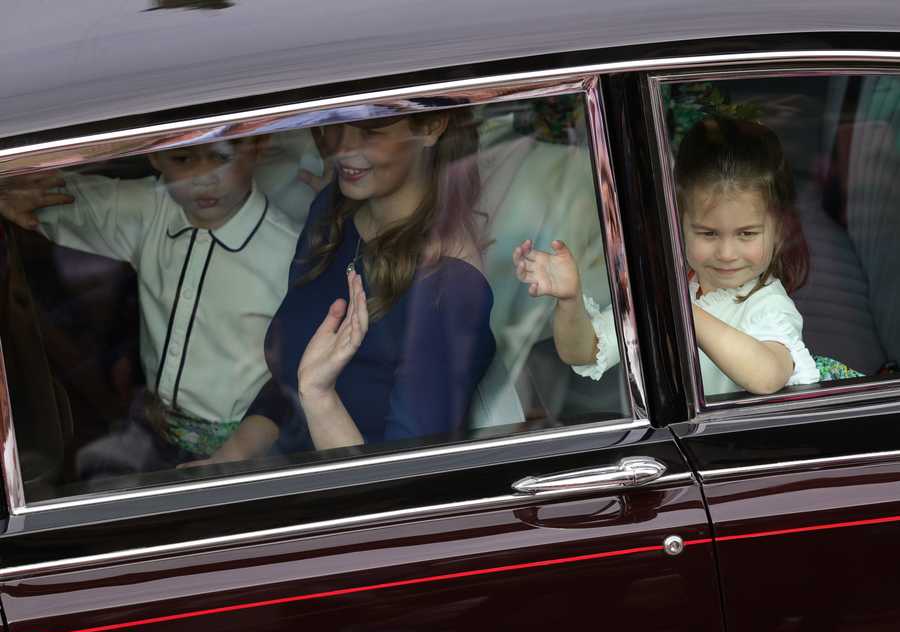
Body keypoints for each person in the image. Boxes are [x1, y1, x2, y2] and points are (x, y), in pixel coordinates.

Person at [202, 110, 496, 463]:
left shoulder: (449, 290)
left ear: (431, 127)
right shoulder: (333, 213)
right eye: (337, 123)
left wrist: (320, 396)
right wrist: (230, 457)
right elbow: (288, 381)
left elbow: (403, 481)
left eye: (370, 131)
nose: (340, 147)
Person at [0, 138, 300, 468]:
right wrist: (10, 191)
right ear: (155, 157)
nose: (203, 177)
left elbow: (292, 375)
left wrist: (238, 453)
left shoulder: (289, 253)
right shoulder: (151, 210)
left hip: (247, 453)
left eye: (220, 156)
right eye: (183, 159)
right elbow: (49, 194)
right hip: (153, 430)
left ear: (256, 148)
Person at [513, 116, 820, 397]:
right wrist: (570, 300)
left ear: (779, 230)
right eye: (708, 233)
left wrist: (681, 309)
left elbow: (767, 377)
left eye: (746, 234)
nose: (727, 253)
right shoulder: (674, 285)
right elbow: (583, 351)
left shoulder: (767, 305)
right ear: (678, 224)